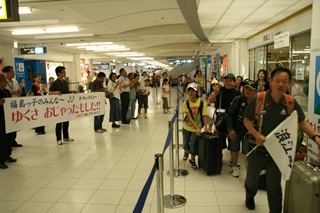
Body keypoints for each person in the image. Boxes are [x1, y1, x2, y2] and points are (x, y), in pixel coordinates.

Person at [243, 67, 320, 212]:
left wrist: (315, 137)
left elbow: (302, 122)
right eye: (277, 81)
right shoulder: (259, 99)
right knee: (252, 180)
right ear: (270, 82)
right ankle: (250, 196)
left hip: (277, 152)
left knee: (274, 187)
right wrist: (256, 135)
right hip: (257, 149)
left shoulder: (290, 103)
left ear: (289, 83)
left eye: (284, 81)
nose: (280, 84)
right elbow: (246, 120)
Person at [227, 79, 257, 177]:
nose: (248, 91)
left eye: (251, 89)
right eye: (246, 88)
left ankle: (249, 173)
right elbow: (230, 114)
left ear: (255, 91)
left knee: (246, 151)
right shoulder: (238, 99)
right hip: (236, 129)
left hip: (248, 132)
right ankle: (235, 167)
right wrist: (230, 129)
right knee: (234, 148)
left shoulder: (257, 102)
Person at [208, 73, 240, 149]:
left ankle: (233, 159)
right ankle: (219, 159)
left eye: (230, 81)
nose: (228, 83)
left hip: (233, 121)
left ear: (234, 82)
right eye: (226, 81)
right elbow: (211, 101)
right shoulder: (220, 90)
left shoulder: (237, 93)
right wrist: (215, 92)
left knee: (233, 144)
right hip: (221, 121)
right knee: (219, 144)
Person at [182, 83, 210, 169]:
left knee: (194, 143)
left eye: (193, 91)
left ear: (196, 92)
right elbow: (189, 117)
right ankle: (186, 151)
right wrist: (196, 128)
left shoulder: (202, 102)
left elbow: (204, 115)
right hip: (187, 126)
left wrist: (206, 126)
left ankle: (192, 159)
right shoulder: (186, 103)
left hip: (197, 128)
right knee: (186, 143)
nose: (191, 93)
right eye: (189, 90)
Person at [49, 66, 77, 145]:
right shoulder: (54, 83)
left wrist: (72, 91)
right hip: (58, 105)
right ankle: (58, 138)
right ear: (59, 73)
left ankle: (66, 136)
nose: (65, 73)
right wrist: (55, 93)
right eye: (63, 72)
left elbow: (66, 92)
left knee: (66, 121)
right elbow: (49, 93)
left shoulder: (65, 82)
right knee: (59, 122)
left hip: (66, 104)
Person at [3, 66, 23, 147]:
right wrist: (12, 93)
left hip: (15, 104)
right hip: (7, 105)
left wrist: (19, 92)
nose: (13, 73)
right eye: (12, 72)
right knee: (8, 124)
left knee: (15, 123)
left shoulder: (14, 81)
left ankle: (13, 140)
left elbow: (17, 90)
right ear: (7, 73)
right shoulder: (3, 82)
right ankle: (8, 141)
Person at [0, 73, 17, 169]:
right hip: (0, 119)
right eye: (4, 80)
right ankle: (1, 159)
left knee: (8, 137)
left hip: (8, 118)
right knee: (1, 139)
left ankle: (7, 155)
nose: (6, 82)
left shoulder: (6, 91)